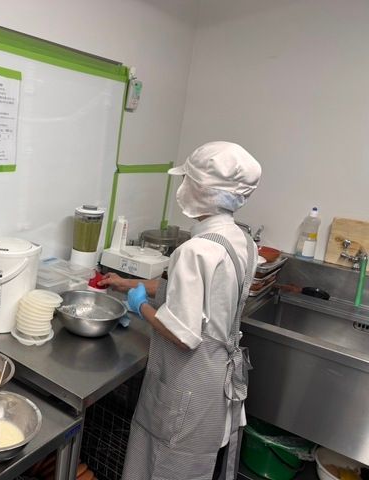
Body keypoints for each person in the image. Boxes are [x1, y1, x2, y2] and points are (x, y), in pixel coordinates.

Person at [99, 141, 262, 480]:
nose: (182, 186)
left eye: (187, 179)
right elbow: (197, 293)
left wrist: (140, 306)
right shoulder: (242, 240)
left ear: (201, 189)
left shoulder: (195, 250)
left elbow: (181, 333)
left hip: (185, 385)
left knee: (161, 466)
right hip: (213, 381)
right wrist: (127, 283)